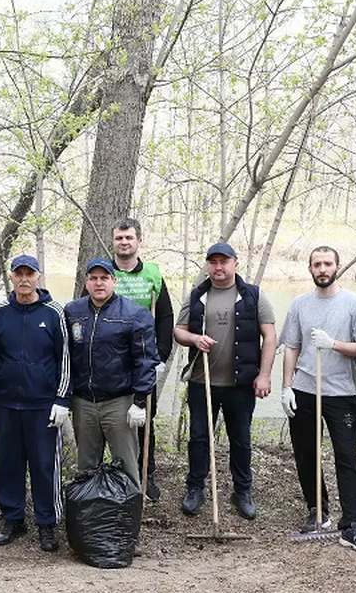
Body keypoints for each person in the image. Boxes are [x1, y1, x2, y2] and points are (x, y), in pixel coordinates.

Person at [279, 247, 356, 552]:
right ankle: (317, 510)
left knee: (346, 457)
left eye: (327, 264)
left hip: (342, 393)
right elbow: (292, 347)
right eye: (316, 264)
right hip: (305, 390)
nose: (322, 269)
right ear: (309, 268)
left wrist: (333, 344)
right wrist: (287, 386)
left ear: (338, 265)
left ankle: (351, 524)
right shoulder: (299, 305)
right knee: (307, 454)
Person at [173, 242, 276, 521]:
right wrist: (195, 339)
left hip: (240, 384)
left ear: (235, 263)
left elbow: (270, 336)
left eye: (224, 262)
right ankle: (195, 488)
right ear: (208, 265)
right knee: (198, 438)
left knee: (240, 440)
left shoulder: (253, 296)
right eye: (214, 262)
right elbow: (179, 331)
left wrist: (264, 375)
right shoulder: (197, 296)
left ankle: (242, 491)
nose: (219, 267)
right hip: (201, 382)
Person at [0, 255, 71, 552]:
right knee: (8, 464)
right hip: (6, 405)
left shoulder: (54, 312)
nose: (24, 279)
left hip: (43, 405)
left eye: (29, 273)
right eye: (19, 274)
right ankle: (13, 518)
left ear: (38, 276)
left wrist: (62, 399)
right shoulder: (0, 313)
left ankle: (47, 523)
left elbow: (65, 360)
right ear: (12, 277)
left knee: (45, 466)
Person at [63, 257, 159, 483]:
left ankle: (127, 515)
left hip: (119, 402)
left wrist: (139, 402)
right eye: (93, 278)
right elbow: (63, 356)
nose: (99, 283)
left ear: (114, 281)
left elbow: (146, 360)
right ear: (86, 283)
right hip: (83, 401)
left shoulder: (134, 314)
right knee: (86, 467)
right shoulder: (72, 312)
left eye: (104, 278)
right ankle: (89, 514)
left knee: (126, 464)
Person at [109, 218, 174, 500]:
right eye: (119, 238)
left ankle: (146, 476)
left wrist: (160, 358)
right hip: (110, 362)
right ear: (113, 242)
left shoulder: (152, 275)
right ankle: (113, 475)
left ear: (139, 241)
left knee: (145, 419)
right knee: (111, 420)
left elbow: (166, 317)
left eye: (129, 237)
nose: (124, 242)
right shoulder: (103, 274)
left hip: (144, 362)